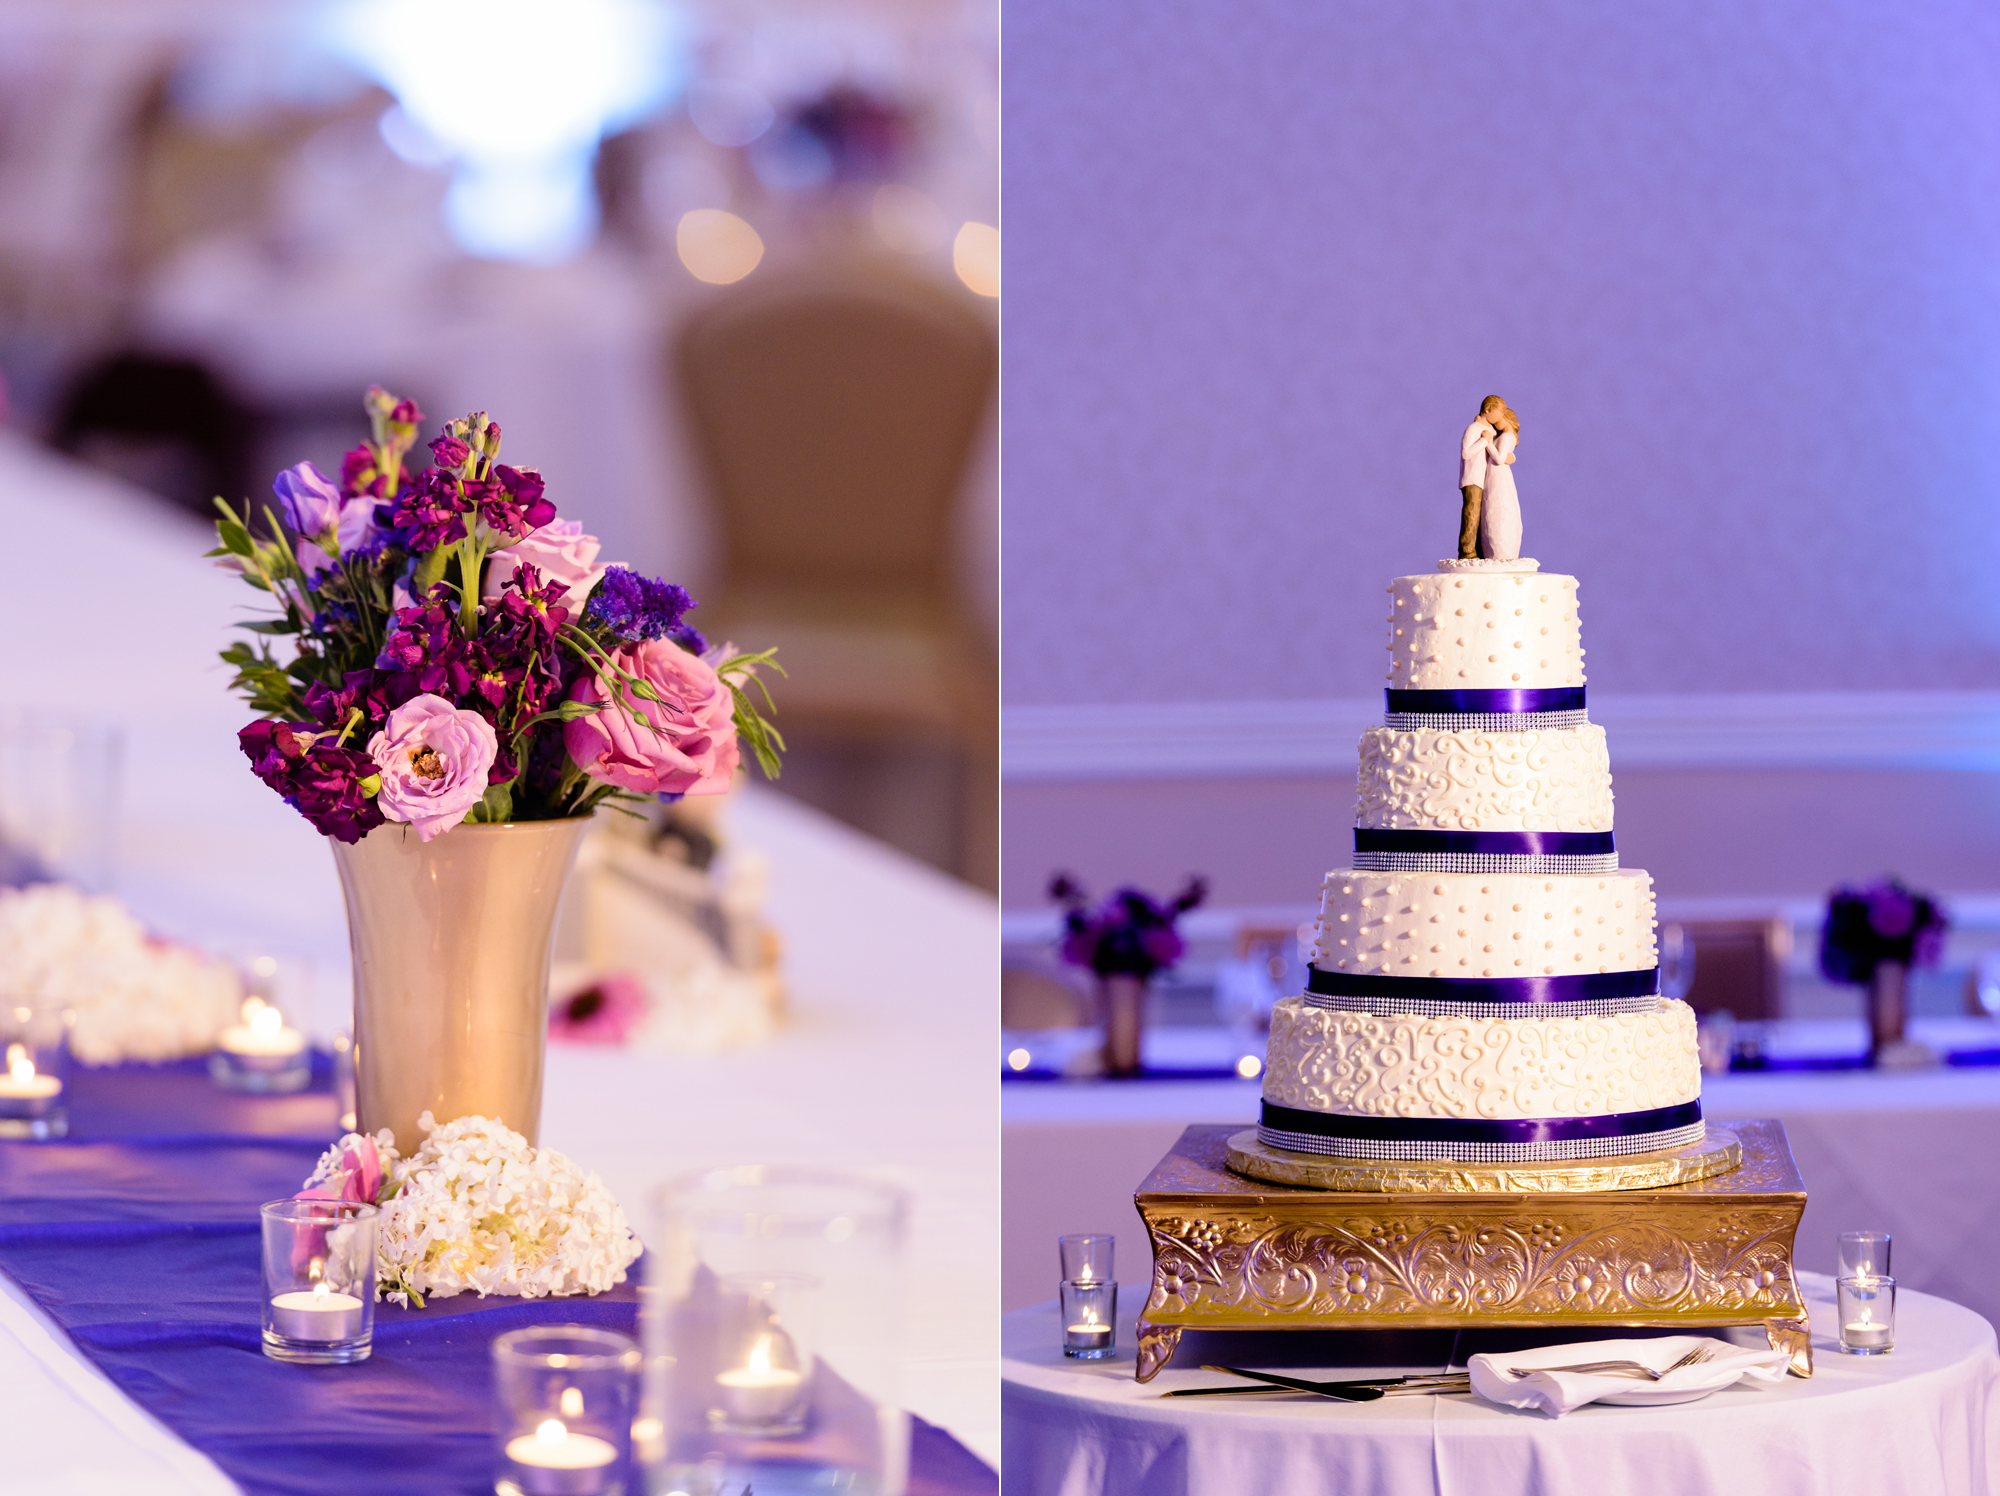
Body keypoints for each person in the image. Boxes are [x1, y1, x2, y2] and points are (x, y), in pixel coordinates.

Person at [1458, 396, 1506, 558]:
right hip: (1473, 478)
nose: (1501, 416)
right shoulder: (1473, 429)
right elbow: (1466, 453)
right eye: (1499, 412)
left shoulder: (1492, 431)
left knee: (1484, 516)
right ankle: (1467, 552)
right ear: (1487, 410)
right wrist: (1483, 441)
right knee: (1472, 514)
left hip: (1490, 480)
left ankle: (1481, 551)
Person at [1479, 404, 1522, 561]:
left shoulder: (1506, 437)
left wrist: (1487, 441)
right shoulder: (1504, 437)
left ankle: (1499, 553)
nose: (1495, 422)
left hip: (1498, 475)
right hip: (1496, 474)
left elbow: (1499, 459)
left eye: (1499, 419)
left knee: (1497, 509)